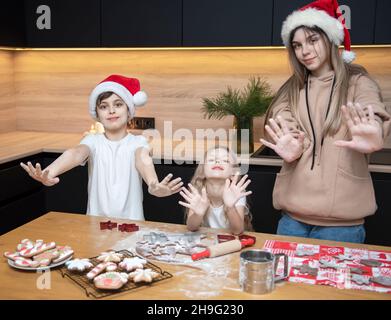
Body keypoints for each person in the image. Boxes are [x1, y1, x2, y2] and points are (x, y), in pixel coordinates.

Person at [260, 0, 391, 243]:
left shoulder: (359, 82)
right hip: (292, 221)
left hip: (343, 225)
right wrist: (290, 142)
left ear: (330, 39)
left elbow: (371, 108)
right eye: (297, 45)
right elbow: (282, 120)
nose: (304, 51)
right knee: (284, 282)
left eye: (312, 40)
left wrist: (374, 130)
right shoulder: (291, 89)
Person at [20, 74, 183, 220]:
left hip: (132, 227)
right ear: (97, 114)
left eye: (118, 104)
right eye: (104, 106)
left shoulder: (138, 143)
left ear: (129, 110)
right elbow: (75, 154)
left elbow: (143, 161)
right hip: (96, 227)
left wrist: (154, 184)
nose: (111, 110)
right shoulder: (92, 141)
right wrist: (50, 172)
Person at [179, 146, 253, 235]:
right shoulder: (197, 191)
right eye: (211, 160)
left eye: (225, 160)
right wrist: (198, 214)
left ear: (233, 173)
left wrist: (230, 207)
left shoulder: (236, 192)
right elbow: (191, 227)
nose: (217, 161)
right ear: (202, 171)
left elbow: (237, 231)